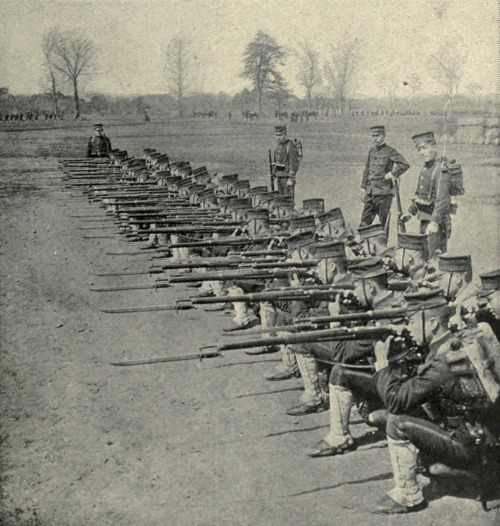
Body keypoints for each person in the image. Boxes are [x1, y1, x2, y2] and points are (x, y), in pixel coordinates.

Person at [372, 289, 500, 514]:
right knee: (390, 414)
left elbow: (396, 400)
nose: (408, 328)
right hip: (479, 437)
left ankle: (408, 495)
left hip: (471, 446)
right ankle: (437, 466)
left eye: (411, 322)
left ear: (431, 323)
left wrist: (382, 366)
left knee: (395, 420)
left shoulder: (443, 359)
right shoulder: (450, 343)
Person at [405, 131, 454, 258]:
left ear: (435, 147)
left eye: (425, 148)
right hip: (425, 221)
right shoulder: (425, 169)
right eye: (419, 149)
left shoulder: (441, 170)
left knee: (434, 259)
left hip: (437, 224)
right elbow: (421, 196)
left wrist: (435, 222)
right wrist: (410, 213)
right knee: (424, 258)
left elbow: (443, 200)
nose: (422, 153)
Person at [360, 125, 409, 230]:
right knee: (364, 224)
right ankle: (364, 245)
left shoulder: (390, 151)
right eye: (373, 136)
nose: (374, 138)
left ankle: (382, 246)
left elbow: (404, 164)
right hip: (370, 193)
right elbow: (367, 170)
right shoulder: (371, 151)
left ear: (383, 135)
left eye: (377, 136)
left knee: (383, 225)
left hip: (384, 194)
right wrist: (363, 188)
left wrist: (393, 173)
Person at [272, 125, 300, 198]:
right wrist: (273, 173)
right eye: (277, 135)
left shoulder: (290, 146)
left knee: (288, 201)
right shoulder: (277, 146)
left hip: (287, 178)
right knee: (281, 200)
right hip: (279, 177)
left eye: (280, 135)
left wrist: (291, 179)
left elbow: (293, 163)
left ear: (285, 135)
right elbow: (276, 161)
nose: (278, 137)